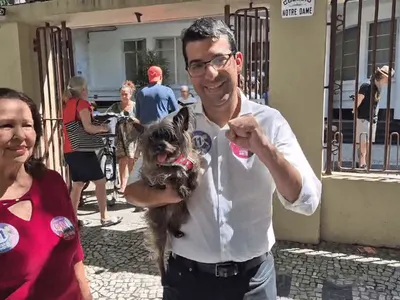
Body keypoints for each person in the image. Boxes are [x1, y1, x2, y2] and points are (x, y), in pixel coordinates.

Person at [124, 18, 321, 300]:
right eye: (198, 65)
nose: (210, 73)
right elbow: (132, 191)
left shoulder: (270, 122)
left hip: (253, 282)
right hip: (186, 281)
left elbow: (307, 202)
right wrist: (170, 194)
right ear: (190, 72)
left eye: (219, 59)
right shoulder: (174, 126)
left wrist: (265, 148)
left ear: (238, 61)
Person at [0, 88, 92, 300]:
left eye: (27, 125)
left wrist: (86, 295)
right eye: (6, 125)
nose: (20, 135)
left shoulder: (52, 182)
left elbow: (75, 253)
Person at [63, 76, 122, 227]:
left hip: (70, 150)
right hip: (82, 149)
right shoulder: (81, 103)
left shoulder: (67, 104)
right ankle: (104, 217)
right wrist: (103, 128)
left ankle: (72, 220)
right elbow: (88, 127)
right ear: (83, 89)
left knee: (77, 185)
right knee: (100, 182)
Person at [355, 65, 395, 168]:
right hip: (363, 118)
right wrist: (354, 112)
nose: (388, 81)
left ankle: (365, 163)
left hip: (372, 119)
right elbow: (357, 102)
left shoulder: (378, 88)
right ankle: (361, 164)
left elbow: (375, 105)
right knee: (363, 142)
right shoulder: (366, 86)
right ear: (382, 77)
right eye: (388, 79)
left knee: (368, 143)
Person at [106, 80, 140, 194]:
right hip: (119, 136)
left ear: (131, 95)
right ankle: (123, 185)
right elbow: (107, 118)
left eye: (126, 94)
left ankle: (132, 184)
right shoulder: (115, 106)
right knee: (122, 161)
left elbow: (142, 121)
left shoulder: (136, 106)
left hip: (132, 137)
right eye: (122, 94)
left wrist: (134, 120)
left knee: (131, 160)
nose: (124, 96)